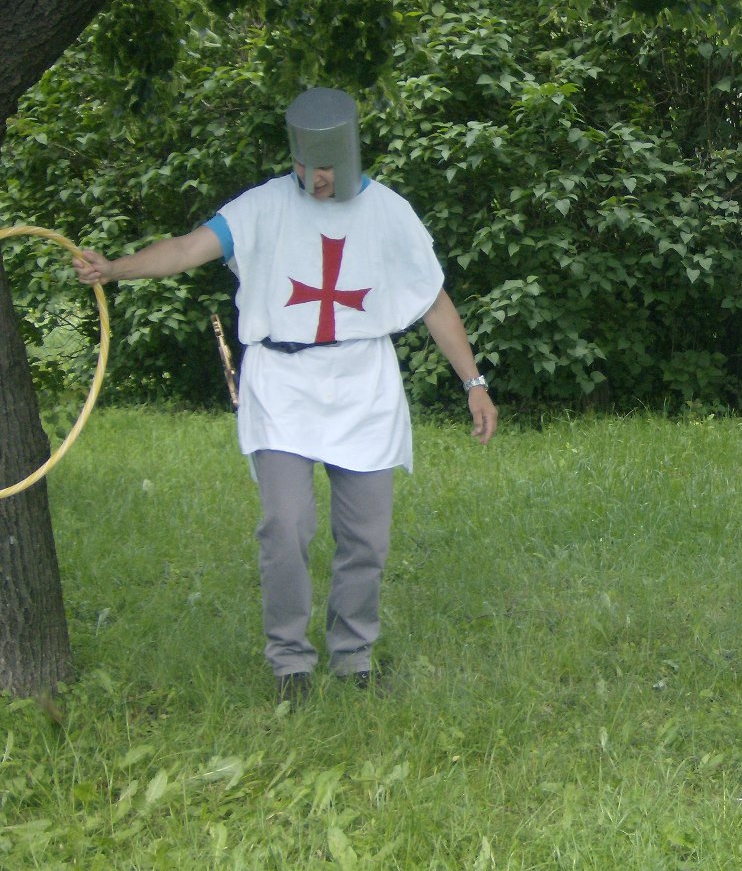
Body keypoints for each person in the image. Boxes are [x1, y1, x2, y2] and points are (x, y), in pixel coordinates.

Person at [74, 87, 498, 704]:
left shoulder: (389, 212)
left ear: (348, 159)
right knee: (285, 525)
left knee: (367, 539)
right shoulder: (263, 207)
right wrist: (116, 268)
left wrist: (475, 385)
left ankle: (353, 657)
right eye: (304, 166)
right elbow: (189, 248)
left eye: (325, 169)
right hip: (281, 385)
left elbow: (432, 300)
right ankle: (290, 664)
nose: (314, 180)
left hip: (363, 387)